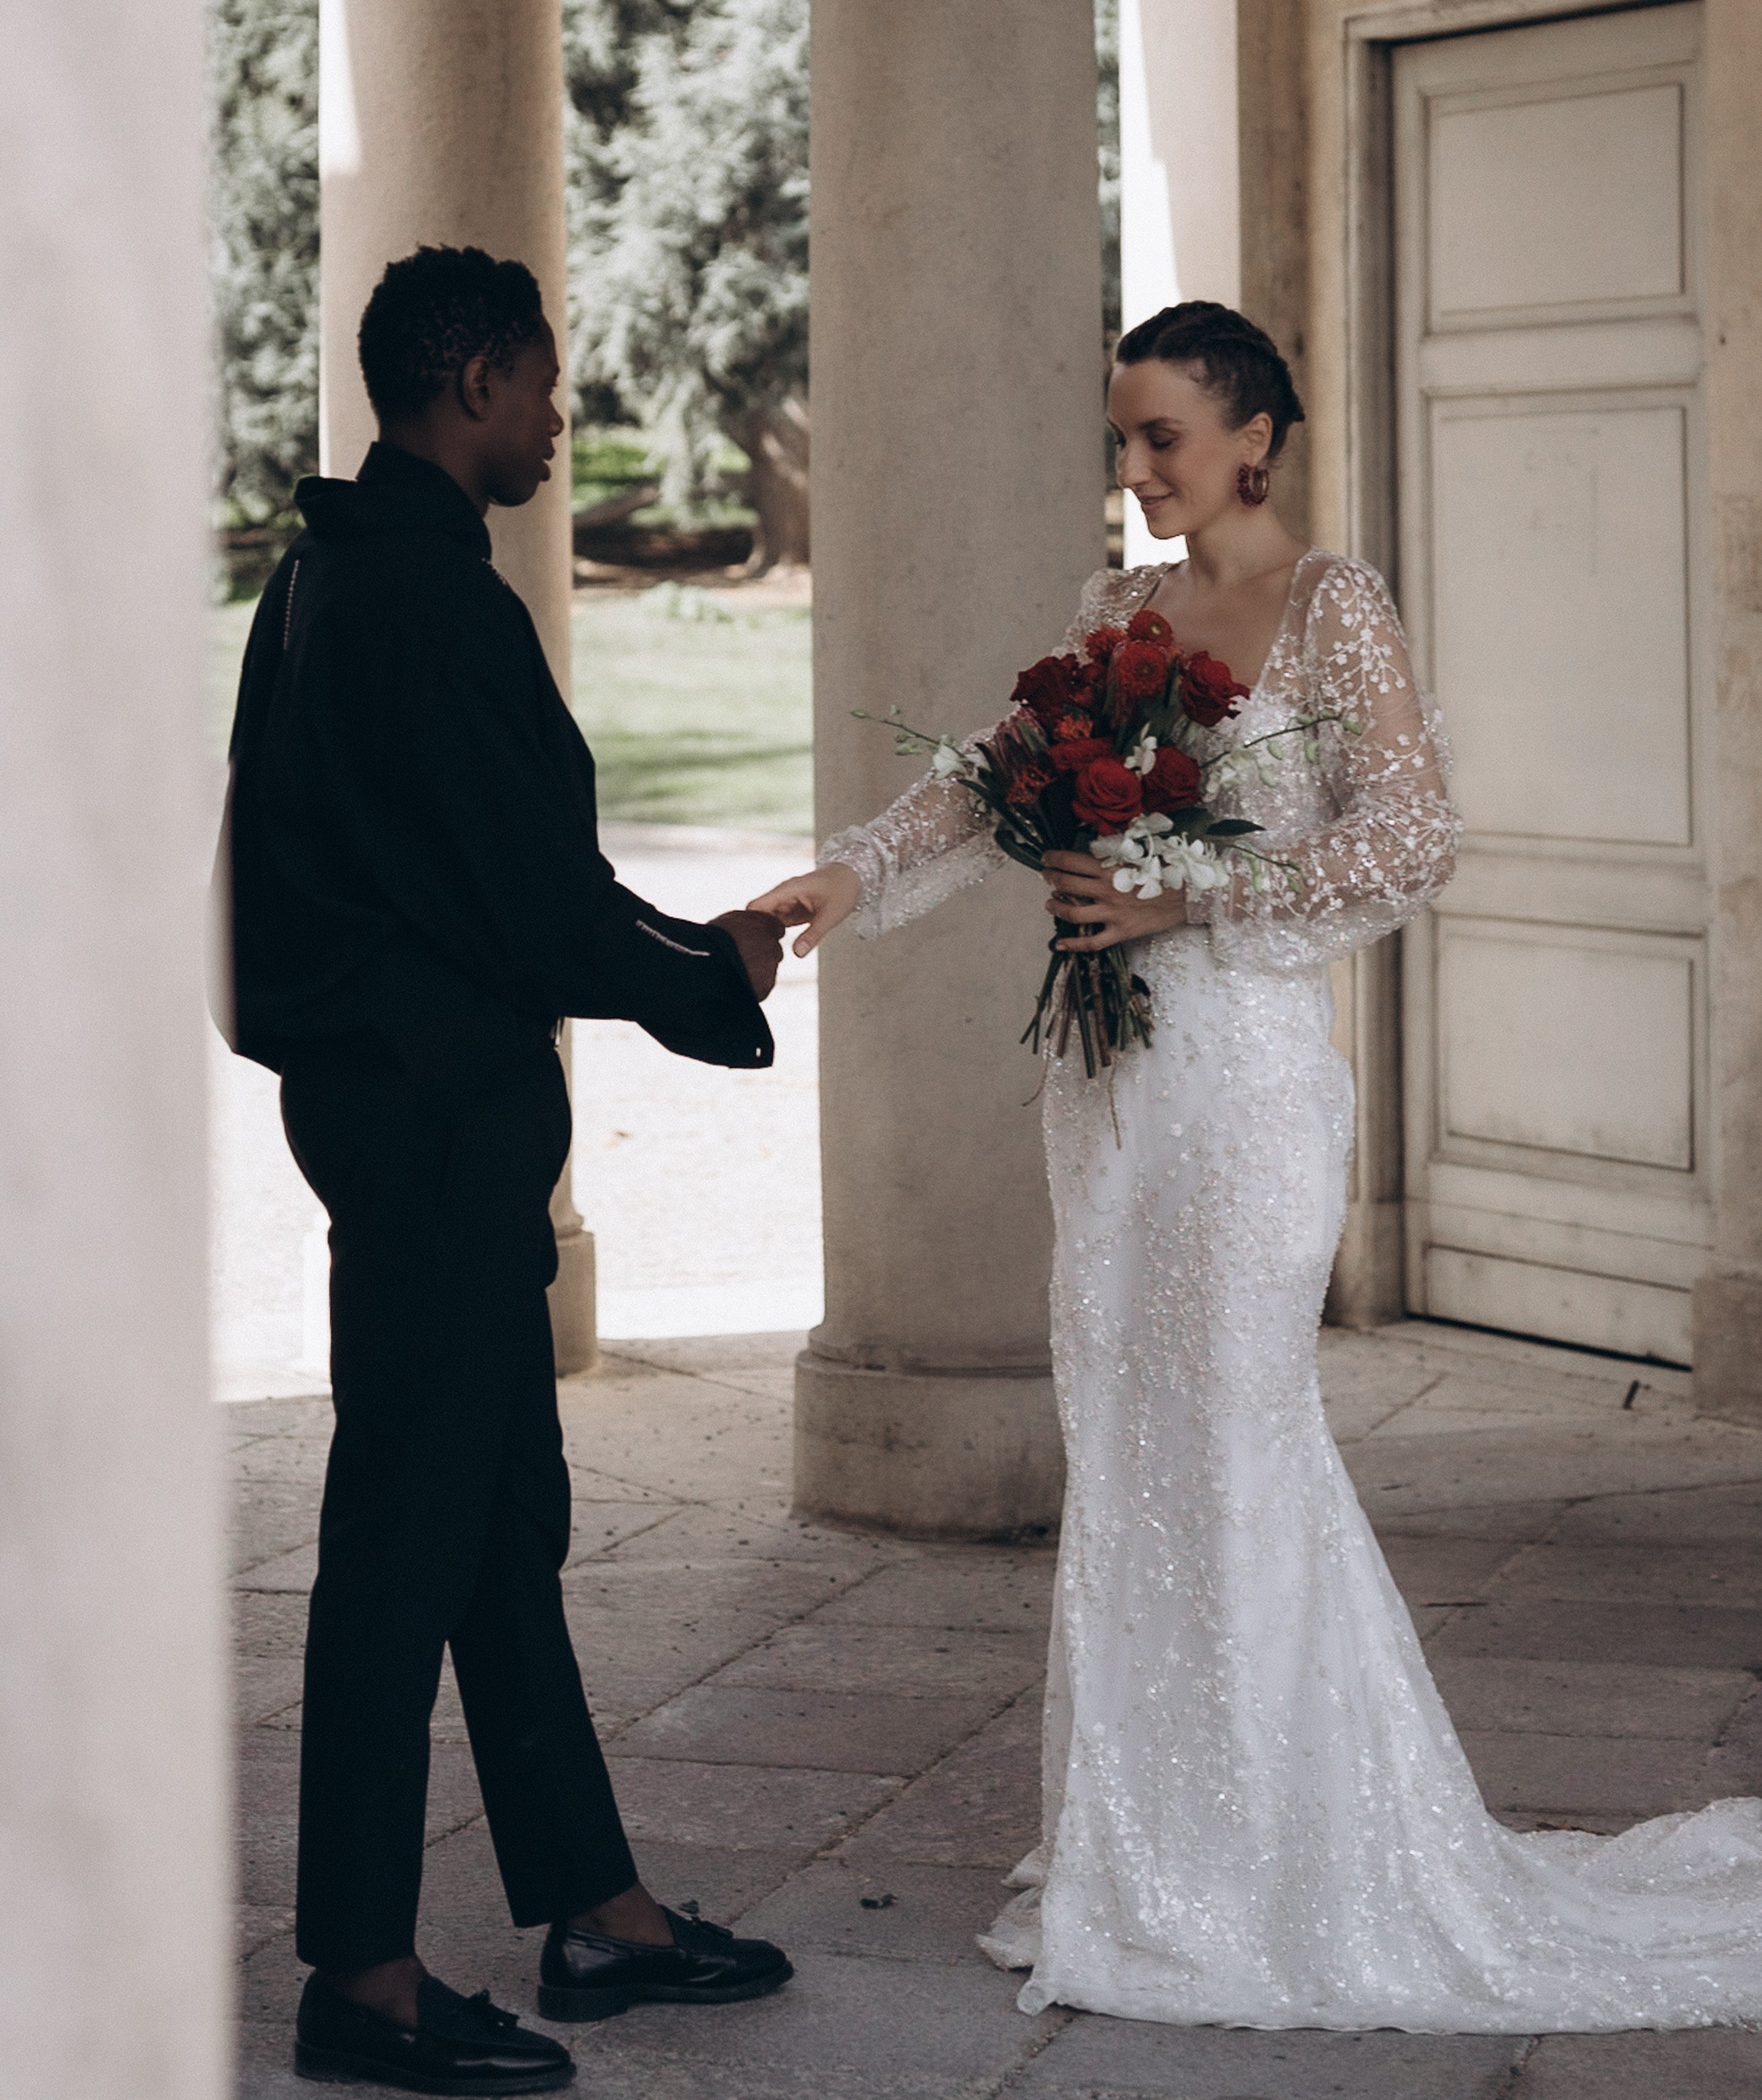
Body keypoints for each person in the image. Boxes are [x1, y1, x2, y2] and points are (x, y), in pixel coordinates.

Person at [750, 298, 1762, 2032]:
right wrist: (842, 879)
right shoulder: (1111, 616)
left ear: (1251, 440)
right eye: (1120, 436)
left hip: (1246, 1090)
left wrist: (1189, 890)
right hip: (1113, 1094)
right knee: (1130, 1446)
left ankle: (1303, 1860)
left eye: (1160, 436)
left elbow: (1414, 828)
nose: (1133, 467)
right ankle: (1151, 1854)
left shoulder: (1328, 605)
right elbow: (993, 781)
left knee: (1231, 1435)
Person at [222, 244, 793, 2095]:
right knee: (405, 1538)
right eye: (544, 386)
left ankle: (594, 1908)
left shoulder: (322, 573)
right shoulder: (424, 604)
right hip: (432, 1136)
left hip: (392, 1114)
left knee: (498, 1529)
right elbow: (529, 899)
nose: (561, 419)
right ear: (469, 381)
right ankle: (362, 1981)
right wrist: (706, 974)